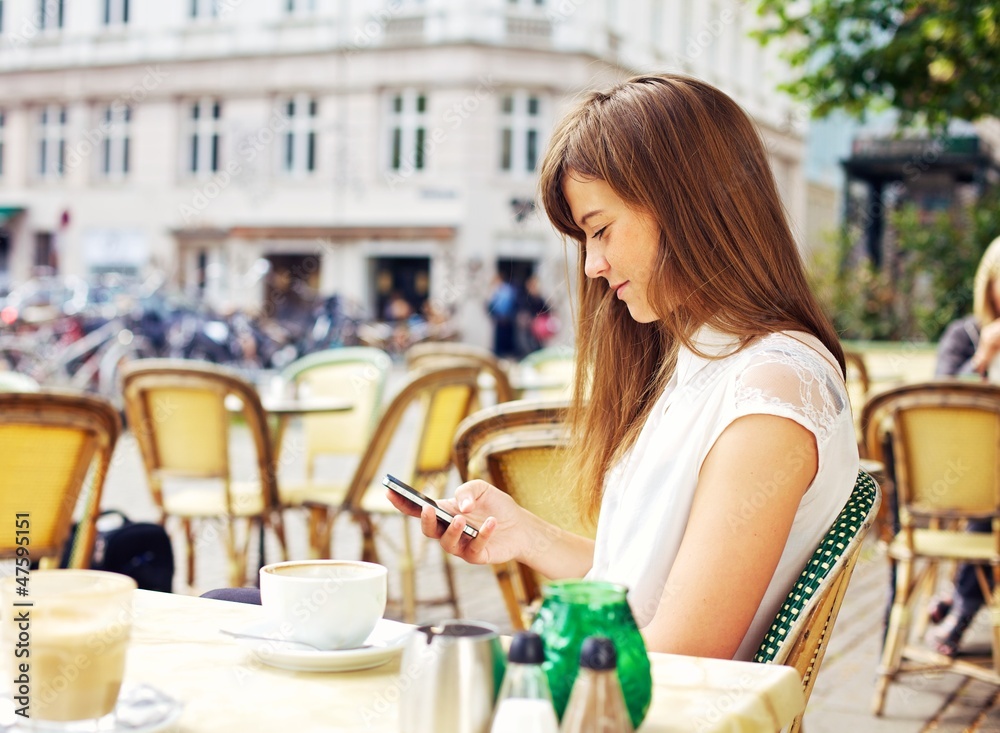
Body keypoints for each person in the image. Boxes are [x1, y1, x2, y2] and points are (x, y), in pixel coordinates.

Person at [388, 73, 859, 660]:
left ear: (689, 204)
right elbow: (649, 592)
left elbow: (683, 654)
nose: (592, 266)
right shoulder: (708, 363)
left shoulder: (770, 394)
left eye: (601, 230)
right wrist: (527, 534)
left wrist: (502, 674)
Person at [925, 234, 1000, 656]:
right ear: (987, 283)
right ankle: (964, 605)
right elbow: (939, 406)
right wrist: (984, 359)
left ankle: (958, 600)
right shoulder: (964, 335)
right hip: (957, 476)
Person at [487, 274, 518, 358]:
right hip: (500, 319)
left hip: (506, 319)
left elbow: (511, 304)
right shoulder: (497, 291)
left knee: (505, 339)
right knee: (500, 340)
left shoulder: (507, 290)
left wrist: (507, 316)